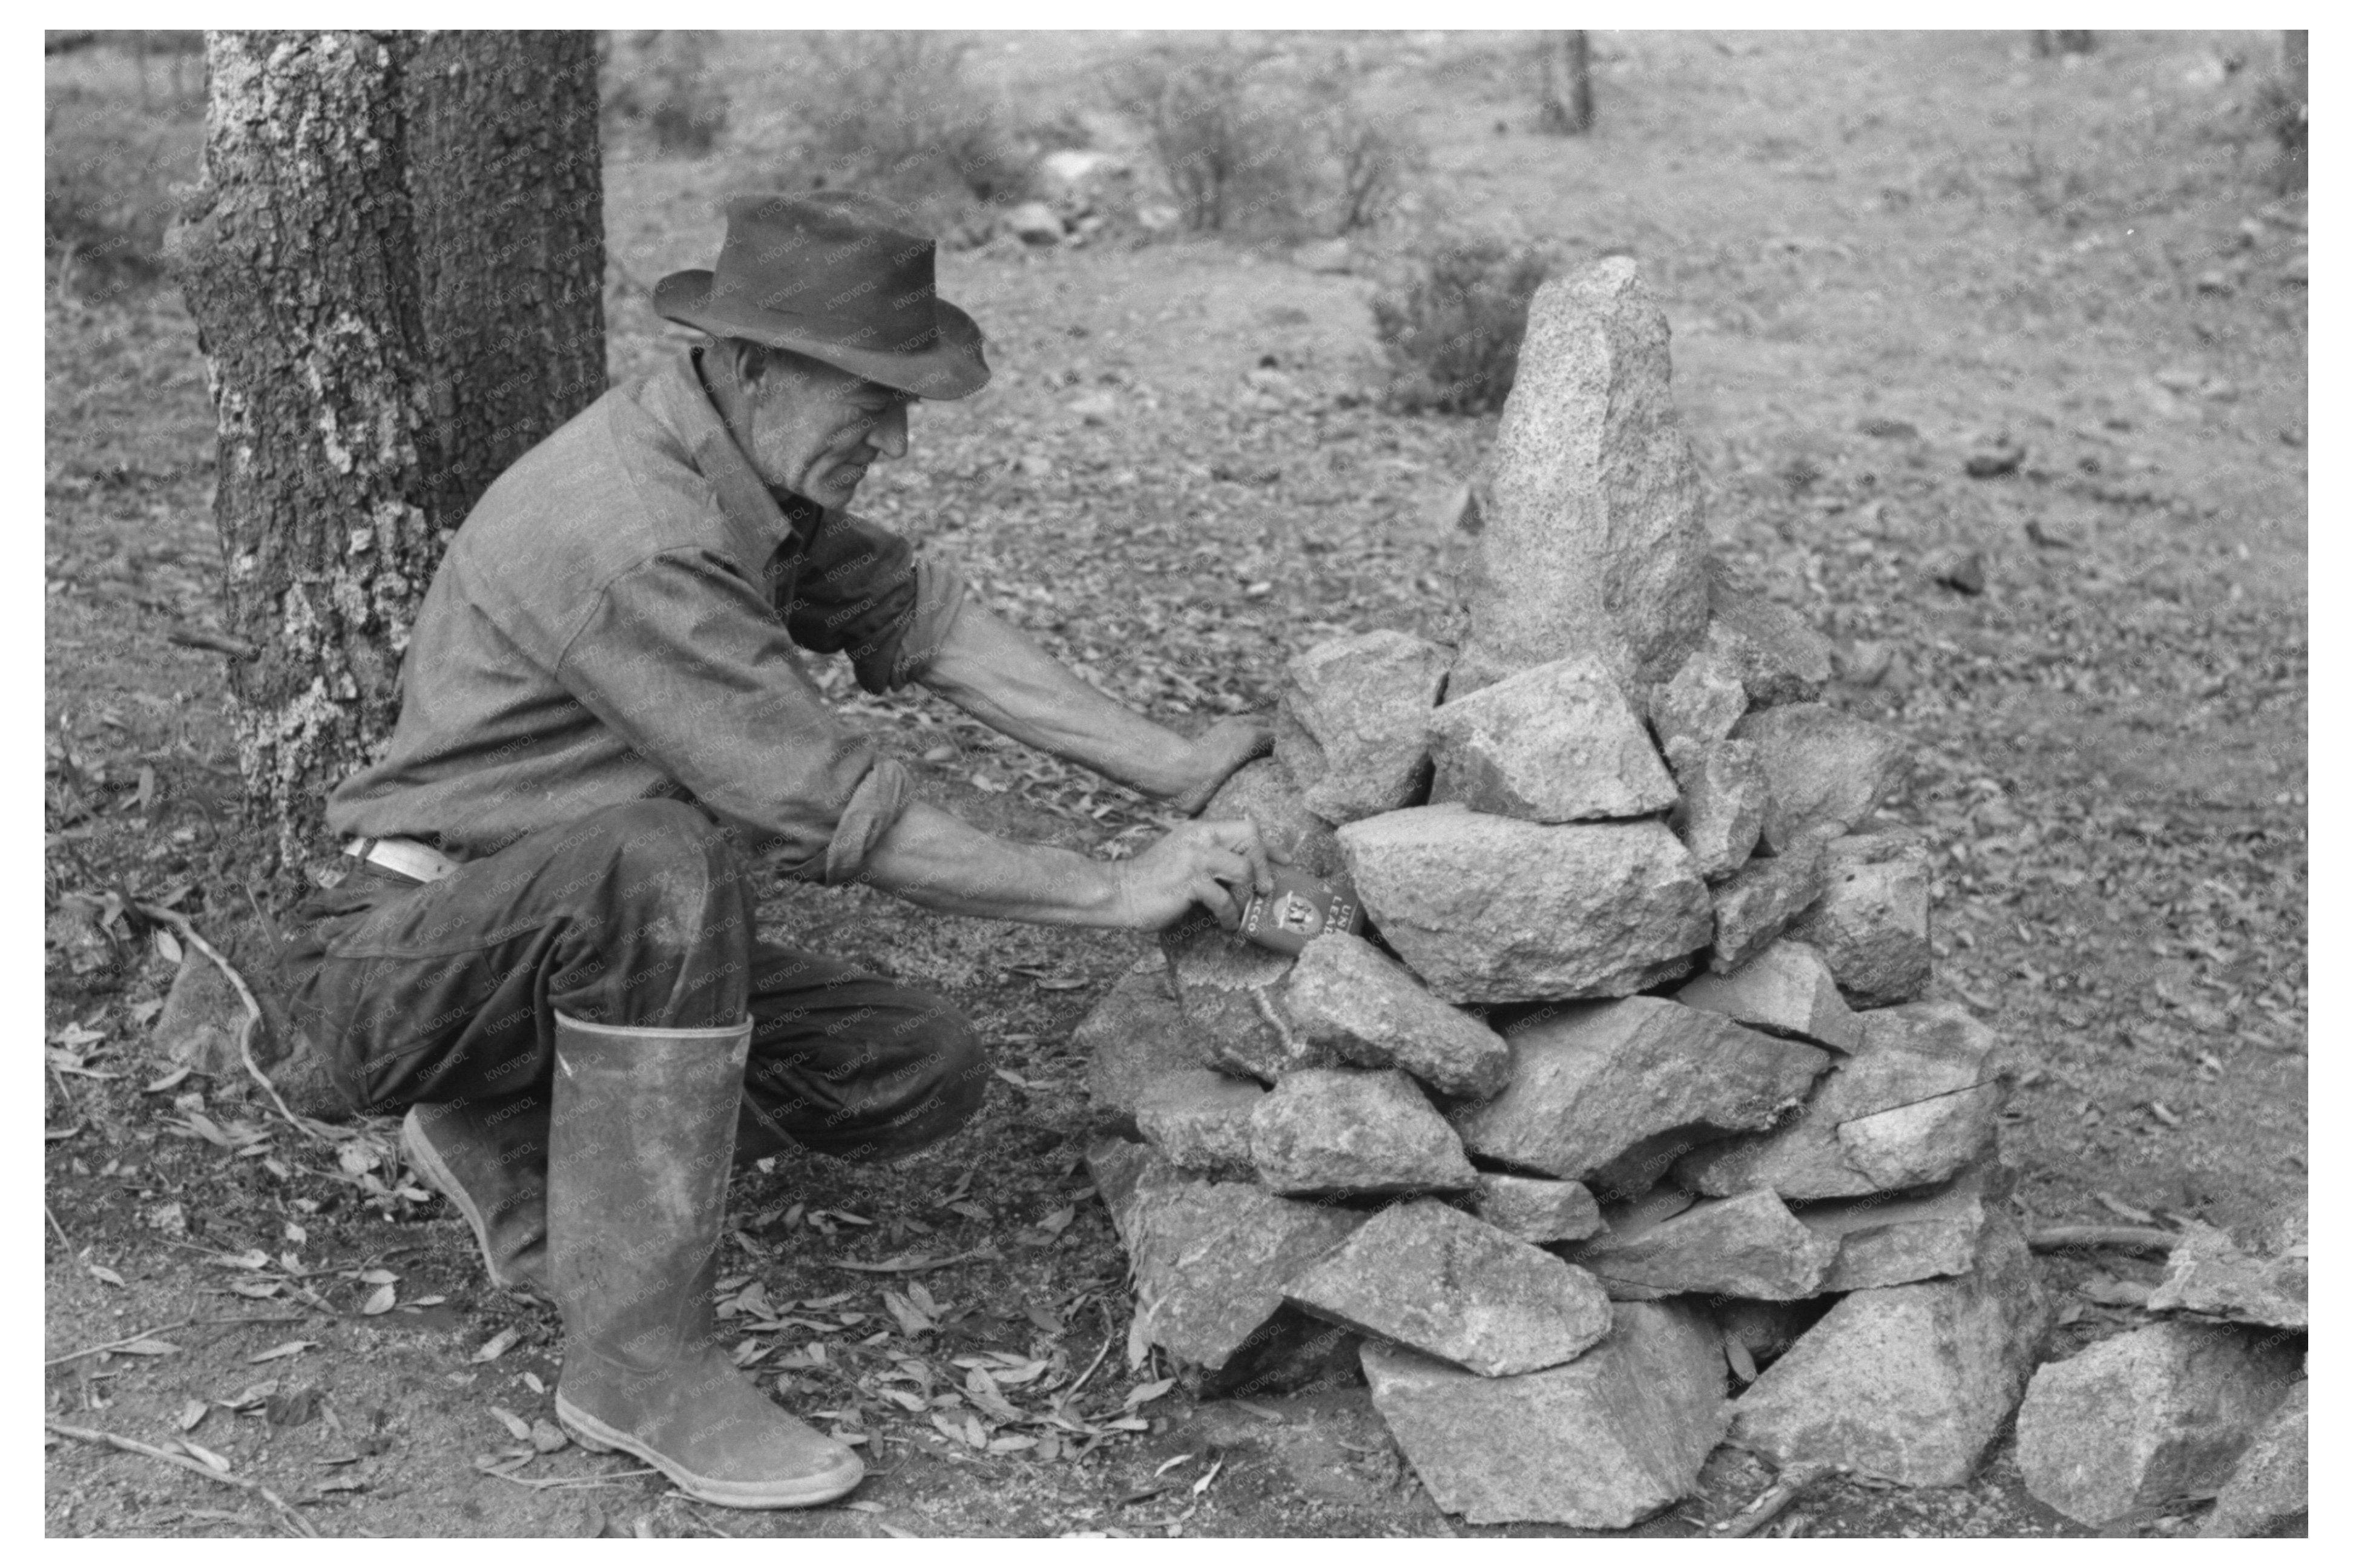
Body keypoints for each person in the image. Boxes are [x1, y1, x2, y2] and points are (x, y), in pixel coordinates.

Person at [280, 191, 1277, 1510]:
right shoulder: (639, 528)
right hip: (400, 962)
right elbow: (830, 808)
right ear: (752, 362)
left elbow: (919, 618)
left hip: (566, 948)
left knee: (908, 1063)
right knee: (658, 862)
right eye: (873, 397)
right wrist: (1114, 889)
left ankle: (511, 1124)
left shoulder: (736, 462)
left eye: (904, 400)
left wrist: (1174, 764)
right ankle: (635, 1364)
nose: (898, 438)